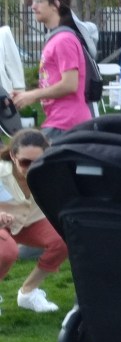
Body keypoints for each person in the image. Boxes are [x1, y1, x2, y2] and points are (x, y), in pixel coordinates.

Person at [13, 0, 91, 142]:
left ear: (55, 5)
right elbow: (54, 81)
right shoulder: (56, 38)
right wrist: (25, 95)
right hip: (59, 122)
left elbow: (70, 84)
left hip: (67, 124)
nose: (33, 6)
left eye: (39, 1)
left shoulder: (64, 40)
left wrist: (34, 95)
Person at [0, 129, 67, 313]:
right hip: (2, 224)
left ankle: (28, 293)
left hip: (31, 222)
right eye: (25, 162)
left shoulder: (53, 172)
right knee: (7, 251)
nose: (31, 167)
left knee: (64, 239)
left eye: (37, 161)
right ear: (13, 156)